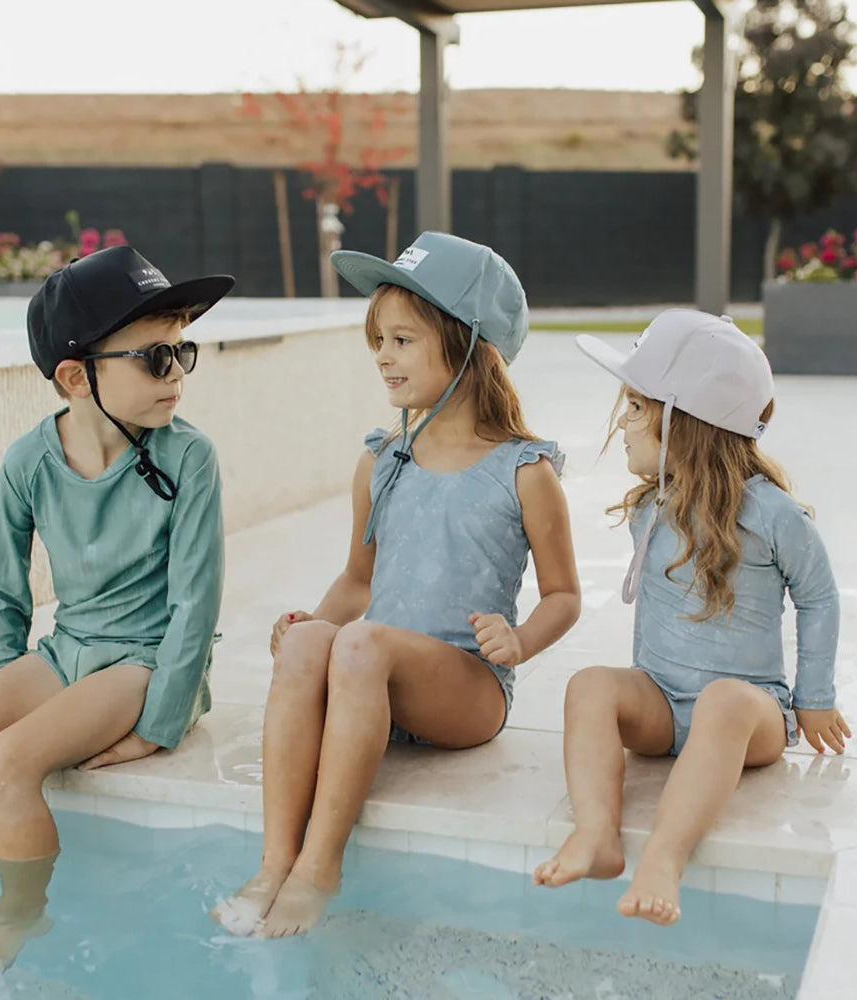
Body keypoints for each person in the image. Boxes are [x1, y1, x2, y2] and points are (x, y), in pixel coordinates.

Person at [213, 231, 581, 939]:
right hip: (369, 675)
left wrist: (521, 640)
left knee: (359, 643)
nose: (382, 354)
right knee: (318, 642)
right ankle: (274, 861)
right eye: (378, 339)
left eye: (403, 339)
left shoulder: (523, 471)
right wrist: (307, 630)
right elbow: (360, 578)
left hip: (467, 692)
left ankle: (320, 866)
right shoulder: (383, 461)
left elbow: (564, 594)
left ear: (472, 345)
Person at [0, 245, 232, 984]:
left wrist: (159, 724)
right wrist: (12, 693)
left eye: (182, 352)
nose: (177, 377)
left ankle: (19, 915)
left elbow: (196, 605)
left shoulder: (189, 459)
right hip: (70, 649)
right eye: (156, 358)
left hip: (144, 660)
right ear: (75, 377)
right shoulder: (29, 460)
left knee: (5, 766)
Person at [533, 309, 851, 925]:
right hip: (660, 703)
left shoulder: (771, 513)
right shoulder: (652, 506)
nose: (622, 426)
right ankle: (596, 834)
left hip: (748, 713)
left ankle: (664, 856)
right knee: (590, 684)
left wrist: (815, 695)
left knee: (724, 703)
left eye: (635, 409)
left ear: (685, 424)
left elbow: (820, 596)